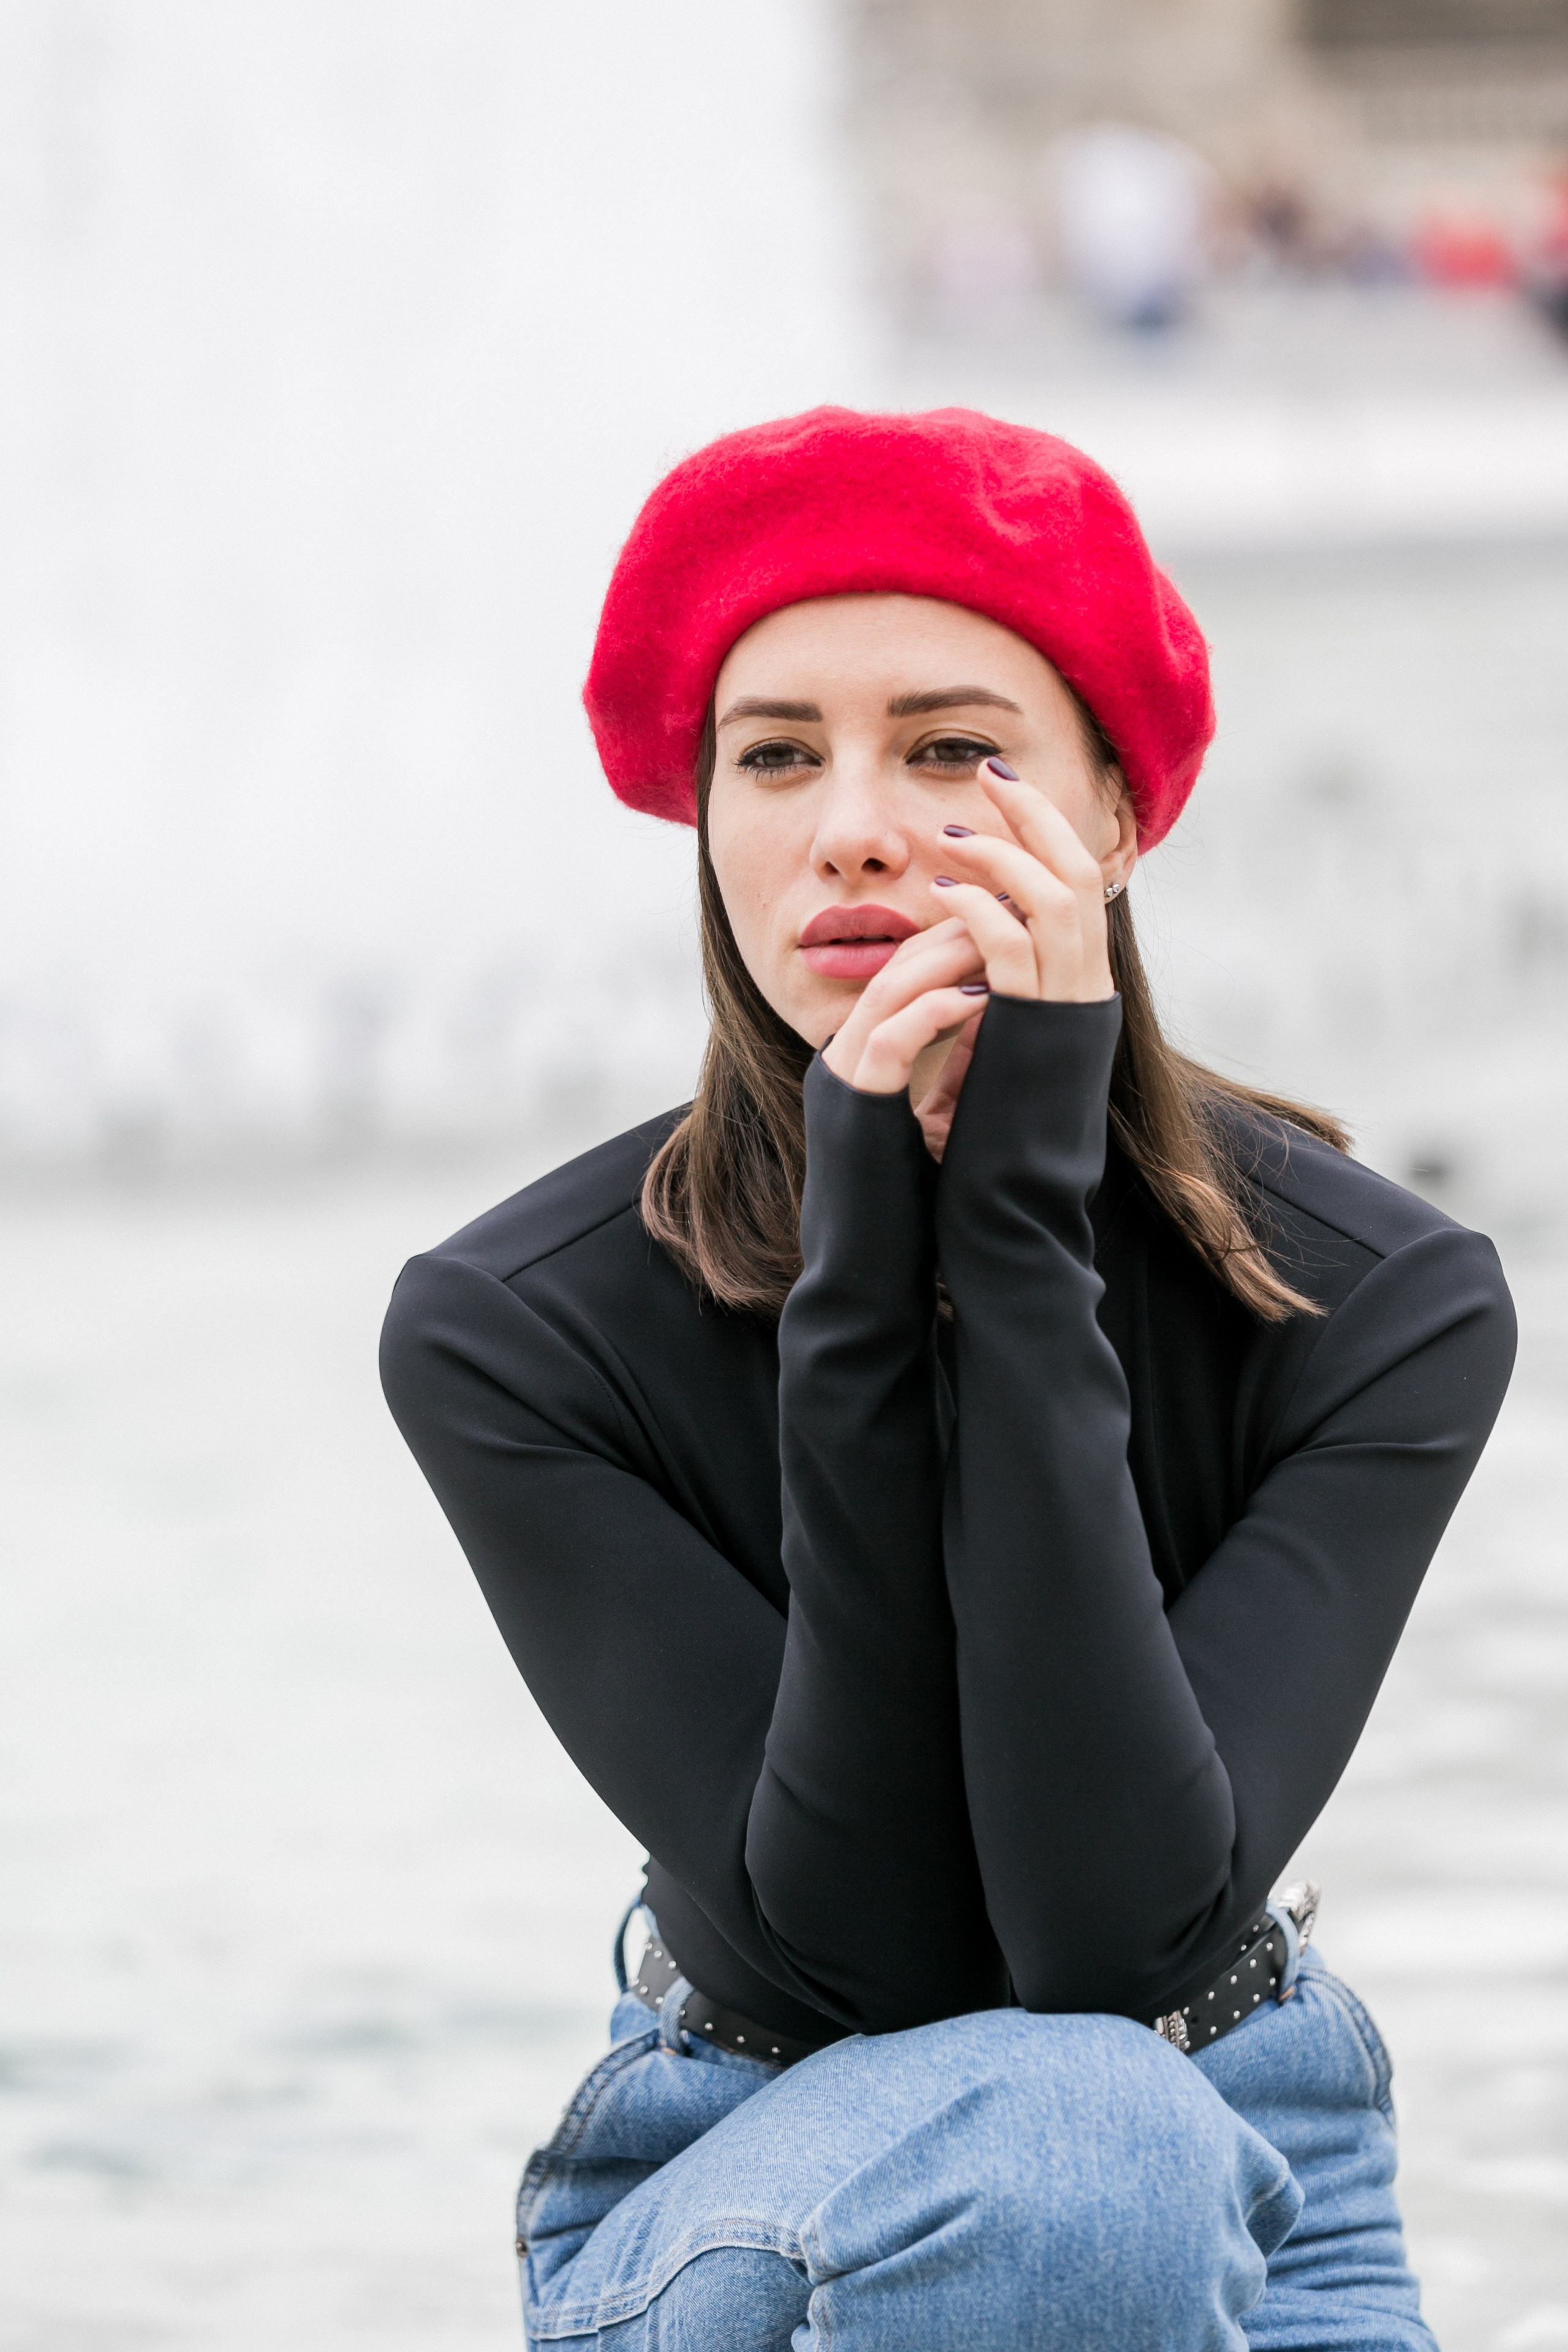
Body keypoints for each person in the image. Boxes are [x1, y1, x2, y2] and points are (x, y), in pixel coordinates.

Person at [380, 407, 1515, 2351]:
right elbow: (876, 1954)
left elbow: (1116, 1931)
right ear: (708, 823)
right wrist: (862, 1266)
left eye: (952, 749)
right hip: (742, 2170)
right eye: (775, 756)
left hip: (1271, 2155)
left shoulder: (1381, 1304)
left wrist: (1011, 1229)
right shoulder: (513, 1331)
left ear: (1116, 820)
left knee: (1101, 2129)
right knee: (1080, 2142)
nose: (854, 827)